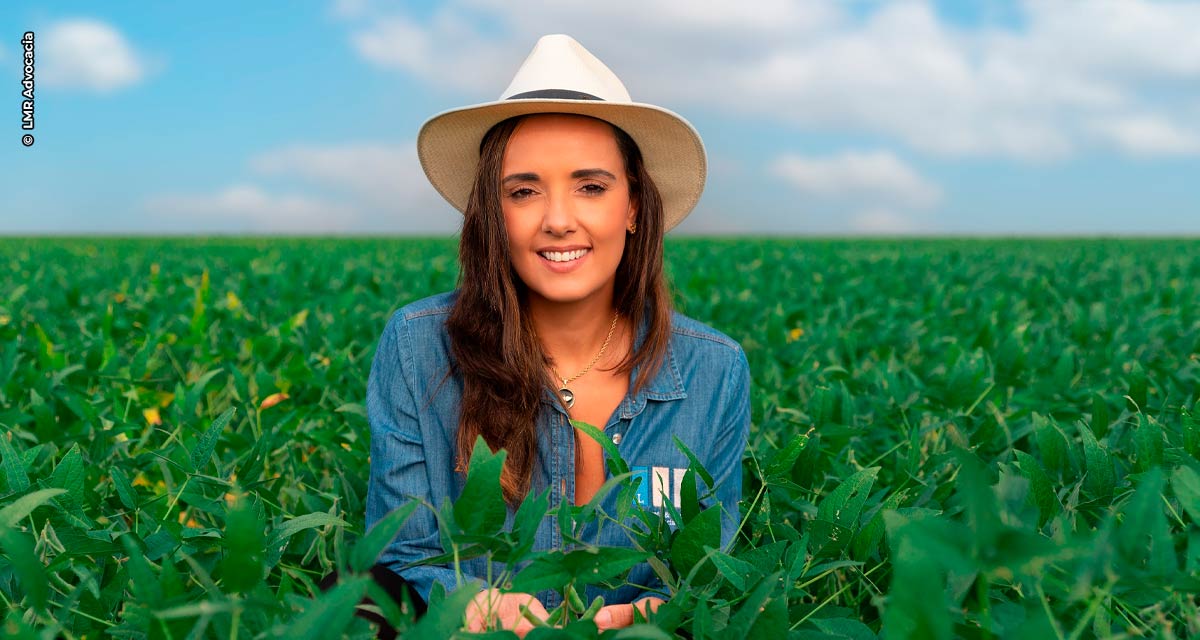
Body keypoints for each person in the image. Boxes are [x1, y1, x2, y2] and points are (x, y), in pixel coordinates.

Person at [364, 33, 751, 636]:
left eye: (590, 187)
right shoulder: (418, 346)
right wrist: (471, 603)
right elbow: (400, 553)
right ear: (495, 214)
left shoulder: (714, 372)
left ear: (632, 207)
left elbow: (707, 572)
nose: (558, 219)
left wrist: (659, 612)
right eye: (523, 191)